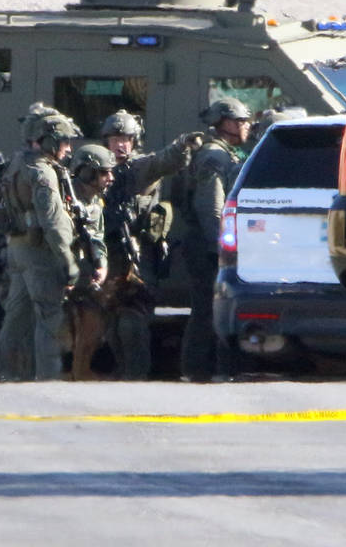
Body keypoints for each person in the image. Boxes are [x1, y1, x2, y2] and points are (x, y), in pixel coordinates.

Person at [100, 109, 204, 379]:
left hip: (138, 257)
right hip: (107, 256)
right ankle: (121, 373)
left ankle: (135, 379)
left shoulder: (141, 168)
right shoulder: (98, 169)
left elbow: (165, 161)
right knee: (110, 323)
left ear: (134, 141)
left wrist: (182, 146)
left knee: (132, 323)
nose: (120, 144)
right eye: (114, 138)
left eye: (126, 138)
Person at [0, 103, 83, 381]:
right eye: (64, 141)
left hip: (17, 249)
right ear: (50, 141)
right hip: (39, 254)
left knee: (16, 317)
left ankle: (6, 373)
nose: (68, 148)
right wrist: (69, 264)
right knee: (49, 318)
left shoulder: (17, 163)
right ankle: (48, 380)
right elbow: (54, 223)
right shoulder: (44, 174)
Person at [179, 96, 252, 382]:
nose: (247, 126)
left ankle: (202, 369)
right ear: (226, 123)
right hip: (206, 244)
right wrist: (220, 249)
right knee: (206, 311)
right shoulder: (214, 156)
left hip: (207, 243)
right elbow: (211, 208)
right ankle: (197, 370)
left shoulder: (224, 153)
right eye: (242, 121)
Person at [65, 143, 115, 379]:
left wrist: (101, 265)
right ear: (87, 173)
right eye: (104, 172)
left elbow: (97, 236)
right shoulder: (65, 199)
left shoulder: (94, 202)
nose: (110, 178)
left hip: (78, 271)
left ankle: (79, 371)